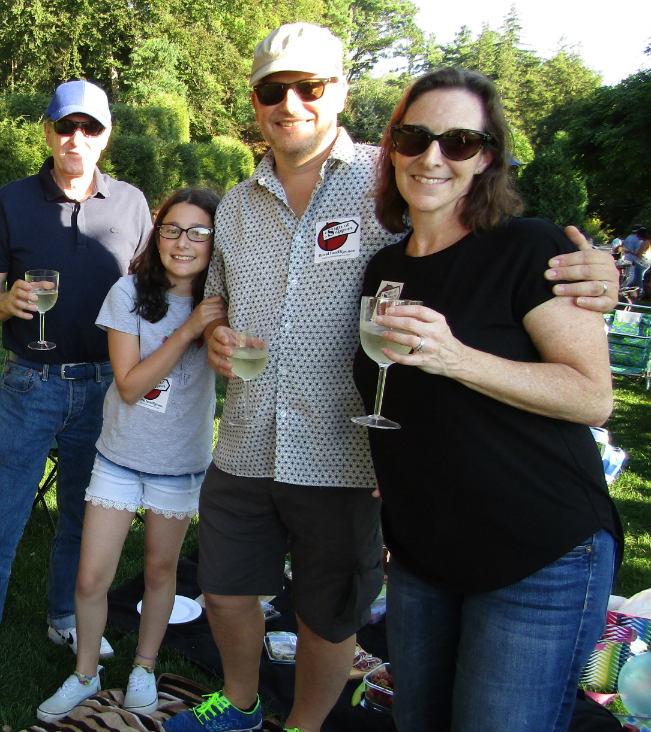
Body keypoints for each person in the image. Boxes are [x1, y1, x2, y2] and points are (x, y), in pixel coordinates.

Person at [167, 22, 621, 732]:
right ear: (254, 101)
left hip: (358, 461)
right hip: (276, 450)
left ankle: (304, 726)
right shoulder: (252, 207)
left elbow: (507, 267)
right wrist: (217, 330)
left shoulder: (400, 181)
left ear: (342, 92)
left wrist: (598, 276)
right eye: (272, 90)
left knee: (330, 612)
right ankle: (242, 705)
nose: (290, 103)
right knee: (226, 592)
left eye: (309, 86)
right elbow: (220, 293)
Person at [353, 67, 621, 732]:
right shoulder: (385, 268)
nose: (432, 158)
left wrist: (457, 358)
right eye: (415, 138)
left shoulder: (530, 247)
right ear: (393, 148)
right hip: (423, 550)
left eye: (460, 142)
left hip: (536, 550)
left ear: (486, 158)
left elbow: (592, 397)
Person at [0, 79, 153, 690]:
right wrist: (6, 301)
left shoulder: (132, 204)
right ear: (48, 131)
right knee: (2, 516)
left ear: (106, 136)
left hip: (105, 385)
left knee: (83, 516)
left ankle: (64, 617)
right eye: (65, 126)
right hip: (30, 382)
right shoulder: (12, 200)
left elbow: (148, 294)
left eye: (90, 128)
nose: (76, 138)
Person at [36, 188, 225, 722]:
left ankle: (144, 667)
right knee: (90, 578)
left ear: (215, 243)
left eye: (198, 232)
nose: (183, 242)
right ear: (156, 235)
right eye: (172, 229)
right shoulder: (129, 293)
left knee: (160, 573)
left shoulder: (224, 303)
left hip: (179, 463)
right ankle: (85, 673)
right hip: (119, 456)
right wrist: (188, 330)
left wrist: (213, 326)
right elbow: (130, 384)